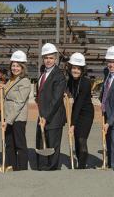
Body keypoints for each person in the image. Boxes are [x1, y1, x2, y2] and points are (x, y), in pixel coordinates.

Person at [35, 43, 67, 171]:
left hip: (53, 116)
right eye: (46, 57)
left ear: (55, 59)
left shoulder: (59, 75)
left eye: (51, 58)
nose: (48, 60)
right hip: (41, 114)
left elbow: (56, 99)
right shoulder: (43, 73)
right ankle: (42, 166)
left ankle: (52, 169)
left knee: (52, 144)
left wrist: (46, 117)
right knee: (41, 142)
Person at [1, 50, 31, 171]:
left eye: (18, 66)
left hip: (17, 118)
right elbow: (7, 97)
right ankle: (12, 167)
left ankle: (22, 169)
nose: (15, 68)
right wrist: (3, 88)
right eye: (13, 65)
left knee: (20, 145)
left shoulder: (25, 82)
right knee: (9, 144)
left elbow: (19, 103)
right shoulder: (11, 80)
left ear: (23, 67)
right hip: (7, 116)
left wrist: (8, 121)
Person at [66, 52, 94, 169]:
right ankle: (78, 160)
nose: (75, 71)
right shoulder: (71, 80)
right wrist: (65, 93)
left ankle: (82, 166)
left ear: (82, 70)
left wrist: (72, 124)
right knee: (77, 139)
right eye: (73, 68)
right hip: (76, 111)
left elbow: (79, 104)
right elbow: (68, 91)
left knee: (82, 138)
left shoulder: (86, 82)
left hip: (86, 114)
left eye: (78, 69)